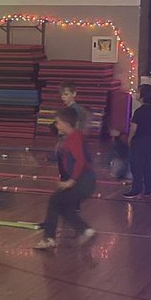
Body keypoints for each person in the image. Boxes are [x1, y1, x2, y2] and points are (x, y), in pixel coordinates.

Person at [34, 107, 97, 250]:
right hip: (87, 180)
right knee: (61, 204)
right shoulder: (76, 136)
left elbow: (80, 161)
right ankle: (85, 230)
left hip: (83, 181)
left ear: (66, 124)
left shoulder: (73, 139)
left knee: (55, 201)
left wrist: (71, 181)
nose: (56, 125)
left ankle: (49, 238)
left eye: (58, 122)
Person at [124, 84, 151, 199]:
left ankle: (136, 188)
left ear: (142, 96)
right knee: (148, 165)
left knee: (136, 166)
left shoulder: (139, 111)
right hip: (149, 141)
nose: (136, 94)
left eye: (138, 92)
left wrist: (129, 139)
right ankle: (149, 188)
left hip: (139, 141)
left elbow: (134, 128)